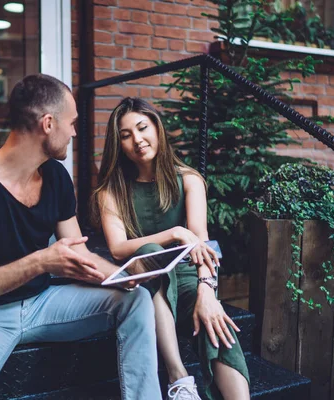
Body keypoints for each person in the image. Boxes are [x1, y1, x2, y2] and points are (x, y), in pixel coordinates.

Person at [0, 75, 162, 400]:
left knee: (136, 300)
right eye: (70, 123)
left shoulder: (55, 175)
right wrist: (41, 261)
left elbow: (76, 251)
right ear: (47, 123)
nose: (73, 132)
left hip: (46, 303)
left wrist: (119, 276)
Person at [91, 98, 251, 400]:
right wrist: (175, 232)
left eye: (142, 128)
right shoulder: (111, 191)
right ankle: (179, 380)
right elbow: (118, 248)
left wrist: (208, 291)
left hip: (189, 277)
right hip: (143, 281)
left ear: (157, 128)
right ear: (118, 143)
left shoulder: (188, 180)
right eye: (126, 135)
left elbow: (201, 241)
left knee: (215, 323)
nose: (137, 140)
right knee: (149, 249)